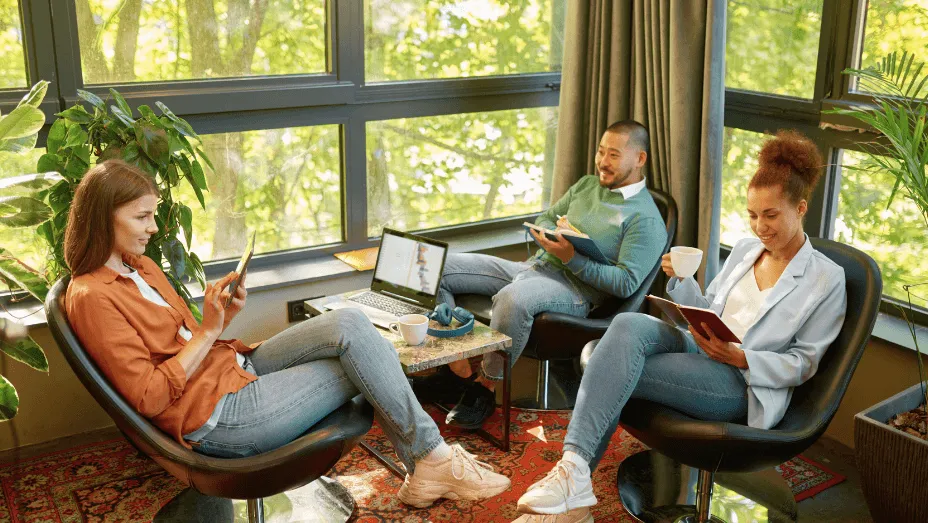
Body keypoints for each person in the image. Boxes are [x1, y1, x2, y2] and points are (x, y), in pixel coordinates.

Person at [63, 159, 510, 509]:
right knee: (364, 360)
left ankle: (430, 460)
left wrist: (220, 320)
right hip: (219, 417)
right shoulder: (91, 297)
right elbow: (148, 398)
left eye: (153, 215)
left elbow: (182, 342)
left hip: (231, 370)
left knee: (352, 323)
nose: (154, 228)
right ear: (105, 217)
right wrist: (208, 332)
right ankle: (433, 460)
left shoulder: (138, 265)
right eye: (142, 217)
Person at [511, 131, 848, 522]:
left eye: (771, 216)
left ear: (801, 207)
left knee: (615, 367)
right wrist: (684, 282)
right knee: (626, 324)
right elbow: (709, 309)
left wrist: (743, 358)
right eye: (753, 215)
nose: (760, 227)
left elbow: (804, 363)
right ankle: (574, 479)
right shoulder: (745, 250)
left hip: (742, 383)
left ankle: (572, 488)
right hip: (701, 348)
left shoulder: (826, 278)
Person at [436, 120, 667, 429]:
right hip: (534, 268)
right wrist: (551, 233)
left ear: (639, 159)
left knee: (512, 299)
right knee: (439, 265)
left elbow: (626, 284)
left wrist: (571, 257)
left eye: (613, 155)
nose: (602, 162)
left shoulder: (646, 219)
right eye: (601, 152)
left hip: (575, 292)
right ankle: (455, 365)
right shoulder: (587, 185)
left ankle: (484, 387)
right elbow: (546, 217)